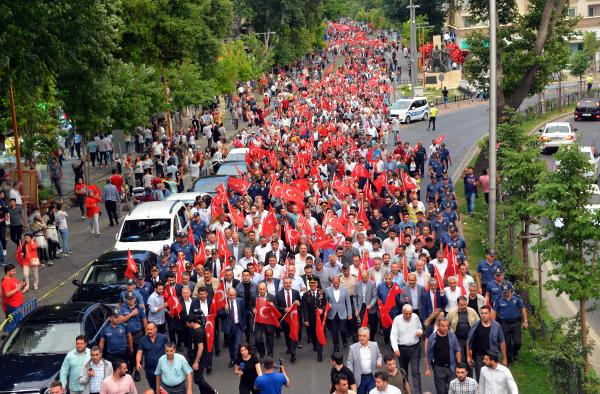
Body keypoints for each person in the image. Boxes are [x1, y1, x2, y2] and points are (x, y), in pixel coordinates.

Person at [491, 281, 527, 363]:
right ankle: (509, 358)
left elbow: (523, 309)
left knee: (518, 342)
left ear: (511, 290)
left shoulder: (516, 298)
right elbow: (494, 311)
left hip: (515, 323)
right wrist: (493, 324)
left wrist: (525, 321)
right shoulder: (498, 299)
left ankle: (515, 352)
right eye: (504, 292)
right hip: (504, 323)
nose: (506, 293)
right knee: (506, 343)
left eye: (507, 291)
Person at [467, 305, 506, 380]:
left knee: (493, 377)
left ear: (490, 314)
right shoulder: (476, 325)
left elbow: (502, 341)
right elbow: (469, 340)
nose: (483, 315)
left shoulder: (497, 326)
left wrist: (504, 358)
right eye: (482, 313)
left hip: (492, 356)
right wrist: (468, 356)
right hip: (479, 356)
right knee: (480, 377)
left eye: (486, 313)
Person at [390, 304, 422, 394]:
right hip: (402, 349)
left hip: (414, 348)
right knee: (404, 372)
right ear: (402, 312)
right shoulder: (397, 319)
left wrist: (420, 332)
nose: (408, 316)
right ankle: (406, 391)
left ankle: (417, 392)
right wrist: (395, 348)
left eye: (410, 314)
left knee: (415, 371)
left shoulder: (415, 317)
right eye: (406, 314)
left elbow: (420, 328)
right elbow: (393, 335)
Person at [425, 318, 462, 394]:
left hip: (451, 367)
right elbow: (429, 354)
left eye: (446, 326)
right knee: (441, 391)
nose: (445, 328)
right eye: (443, 326)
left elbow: (457, 350)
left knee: (453, 389)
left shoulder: (452, 336)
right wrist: (427, 368)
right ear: (438, 326)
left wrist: (459, 364)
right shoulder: (432, 338)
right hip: (438, 368)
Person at [119, 292, 147, 381]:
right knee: (128, 352)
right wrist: (131, 314)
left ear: (134, 299)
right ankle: (129, 368)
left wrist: (146, 333)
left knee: (138, 353)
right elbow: (120, 320)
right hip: (126, 335)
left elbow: (144, 320)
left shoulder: (140, 308)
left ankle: (137, 371)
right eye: (128, 299)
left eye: (132, 299)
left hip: (137, 334)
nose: (130, 300)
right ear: (126, 299)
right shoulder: (123, 308)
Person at [347, 327, 383, 394]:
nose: (361, 338)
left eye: (364, 336)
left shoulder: (374, 345)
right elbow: (349, 363)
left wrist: (379, 361)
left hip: (372, 376)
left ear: (368, 337)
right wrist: (350, 375)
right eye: (360, 336)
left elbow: (379, 356)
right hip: (359, 377)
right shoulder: (353, 348)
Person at [187, 314, 216, 394]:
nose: (187, 325)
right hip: (197, 357)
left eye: (188, 323)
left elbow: (201, 347)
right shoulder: (197, 330)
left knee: (197, 379)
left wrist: (196, 362)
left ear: (192, 323)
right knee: (200, 378)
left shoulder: (199, 332)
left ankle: (212, 392)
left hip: (200, 359)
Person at [137, 322, 169, 392]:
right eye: (148, 329)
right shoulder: (143, 340)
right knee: (153, 387)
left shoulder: (163, 338)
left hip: (162, 368)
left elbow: (169, 349)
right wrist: (138, 363)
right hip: (149, 370)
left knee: (163, 387)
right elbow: (139, 352)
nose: (149, 331)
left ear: (155, 329)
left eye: (151, 329)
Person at [275, 277, 301, 363]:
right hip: (285, 319)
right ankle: (289, 348)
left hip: (294, 319)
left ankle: (293, 353)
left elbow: (301, 303)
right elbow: (276, 307)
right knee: (287, 335)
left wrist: (299, 303)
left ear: (291, 283)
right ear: (283, 284)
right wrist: (284, 309)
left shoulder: (296, 292)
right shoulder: (278, 294)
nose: (288, 284)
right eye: (286, 283)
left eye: (289, 283)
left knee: (293, 334)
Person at [219, 287, 246, 368]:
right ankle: (232, 359)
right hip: (229, 327)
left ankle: (239, 361)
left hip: (238, 326)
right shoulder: (223, 302)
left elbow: (243, 313)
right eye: (230, 295)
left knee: (238, 344)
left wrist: (244, 325)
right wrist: (225, 310)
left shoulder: (240, 301)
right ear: (227, 295)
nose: (232, 297)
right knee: (231, 345)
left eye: (234, 295)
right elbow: (219, 314)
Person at [302, 278, 327, 361]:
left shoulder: (321, 293)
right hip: (311, 319)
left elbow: (325, 304)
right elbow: (305, 308)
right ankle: (315, 345)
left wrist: (322, 310)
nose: (312, 285)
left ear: (317, 284)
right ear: (309, 285)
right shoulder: (306, 295)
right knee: (312, 335)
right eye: (311, 284)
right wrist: (306, 320)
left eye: (314, 284)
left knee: (319, 335)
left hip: (320, 319)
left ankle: (320, 354)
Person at [325, 276, 352, 353]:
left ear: (340, 282)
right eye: (334, 283)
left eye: (337, 283)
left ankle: (344, 340)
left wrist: (349, 314)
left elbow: (348, 303)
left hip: (343, 313)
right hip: (332, 314)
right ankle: (336, 346)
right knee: (334, 331)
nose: (336, 285)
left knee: (343, 330)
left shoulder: (345, 290)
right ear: (332, 283)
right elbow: (326, 302)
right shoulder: (327, 290)